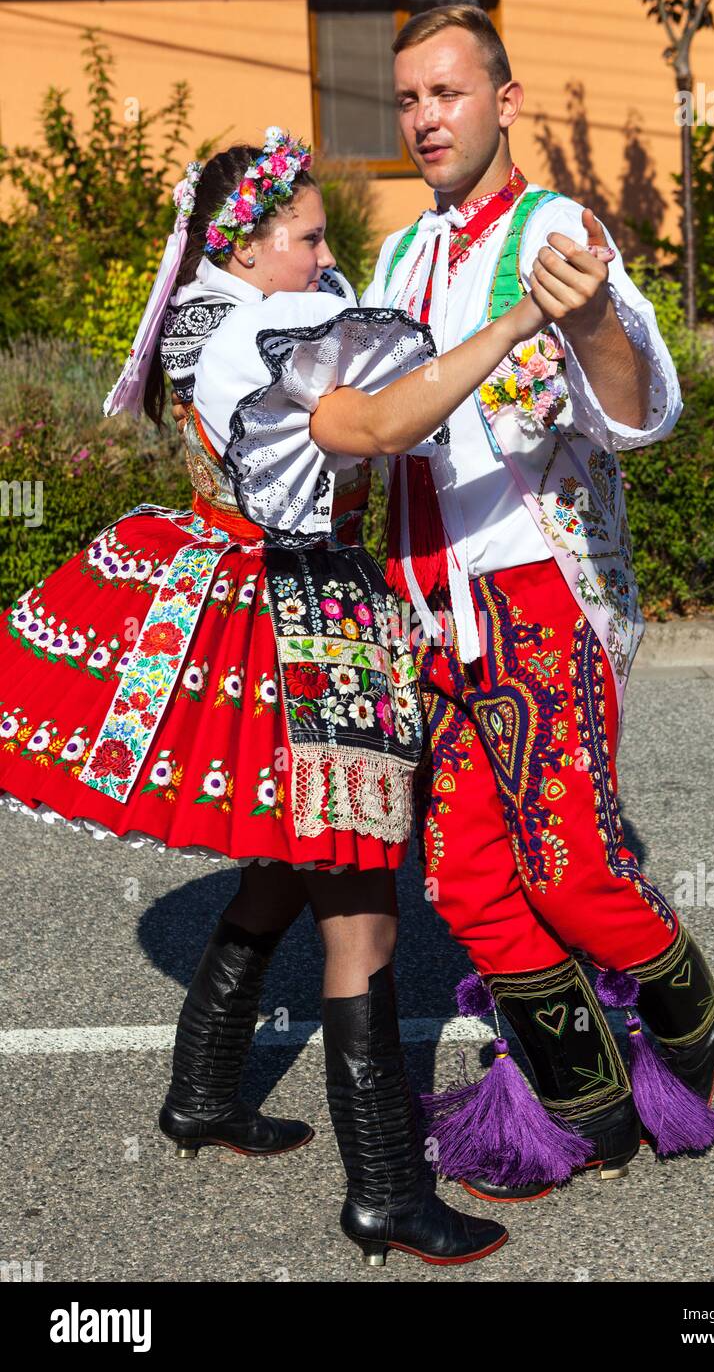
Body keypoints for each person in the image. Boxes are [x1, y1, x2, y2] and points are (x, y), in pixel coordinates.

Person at [0, 127, 552, 1263]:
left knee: (280, 859)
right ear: (246, 244)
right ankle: (385, 1194)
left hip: (234, 597)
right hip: (302, 622)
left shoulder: (204, 303)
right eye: (305, 235)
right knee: (361, 906)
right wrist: (514, 322)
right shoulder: (265, 327)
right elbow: (375, 426)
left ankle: (202, 1092)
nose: (323, 252)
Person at [355, 5, 714, 1201]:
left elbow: (637, 411)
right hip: (429, 606)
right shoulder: (396, 257)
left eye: (449, 94)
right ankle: (583, 1111)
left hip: (535, 596)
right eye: (410, 98)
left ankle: (694, 1012)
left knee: (568, 864)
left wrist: (586, 321)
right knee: (465, 879)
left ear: (505, 101)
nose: (426, 118)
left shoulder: (555, 229)